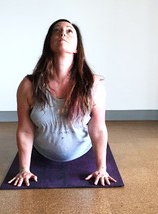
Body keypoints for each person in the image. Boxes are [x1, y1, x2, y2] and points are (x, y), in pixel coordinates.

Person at [8, 19, 116, 187]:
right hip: (42, 153)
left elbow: (98, 128)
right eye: (57, 31)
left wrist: (102, 168)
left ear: (77, 48)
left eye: (69, 31)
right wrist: (23, 169)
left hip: (82, 153)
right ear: (49, 43)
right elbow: (25, 129)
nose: (63, 33)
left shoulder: (93, 85)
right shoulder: (28, 85)